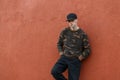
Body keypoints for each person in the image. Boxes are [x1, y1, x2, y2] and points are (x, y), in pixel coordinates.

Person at [51, 13, 91, 80]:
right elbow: (59, 44)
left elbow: (87, 49)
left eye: (72, 20)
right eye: (69, 21)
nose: (70, 23)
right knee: (55, 71)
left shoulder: (82, 34)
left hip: (75, 60)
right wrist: (61, 53)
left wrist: (80, 58)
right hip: (64, 58)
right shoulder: (64, 31)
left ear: (76, 20)